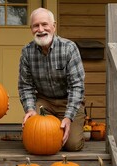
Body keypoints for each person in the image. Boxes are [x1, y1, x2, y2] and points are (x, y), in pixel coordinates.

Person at [18, 8, 86, 151]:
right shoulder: (27, 52)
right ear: (31, 29)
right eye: (36, 26)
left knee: (72, 145)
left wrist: (68, 117)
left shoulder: (69, 48)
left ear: (53, 26)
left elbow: (77, 86)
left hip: (68, 101)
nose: (40, 29)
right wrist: (30, 109)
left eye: (44, 24)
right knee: (34, 140)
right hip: (44, 102)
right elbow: (26, 86)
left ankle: (76, 127)